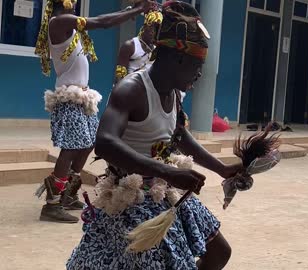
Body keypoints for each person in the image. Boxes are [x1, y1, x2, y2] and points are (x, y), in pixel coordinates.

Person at [67, 2, 242, 269]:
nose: (199, 74)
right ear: (177, 58)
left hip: (164, 191)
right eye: (197, 65)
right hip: (132, 200)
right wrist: (167, 171)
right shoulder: (132, 89)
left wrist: (222, 169)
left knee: (219, 252)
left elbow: (179, 135)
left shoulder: (172, 90)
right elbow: (104, 143)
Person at [33, 0, 156, 223]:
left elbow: (103, 21)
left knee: (89, 142)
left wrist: (129, 11)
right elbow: (101, 22)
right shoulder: (60, 22)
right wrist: (137, 11)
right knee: (70, 148)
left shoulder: (68, 25)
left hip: (83, 97)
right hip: (69, 97)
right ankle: (51, 204)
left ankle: (68, 194)